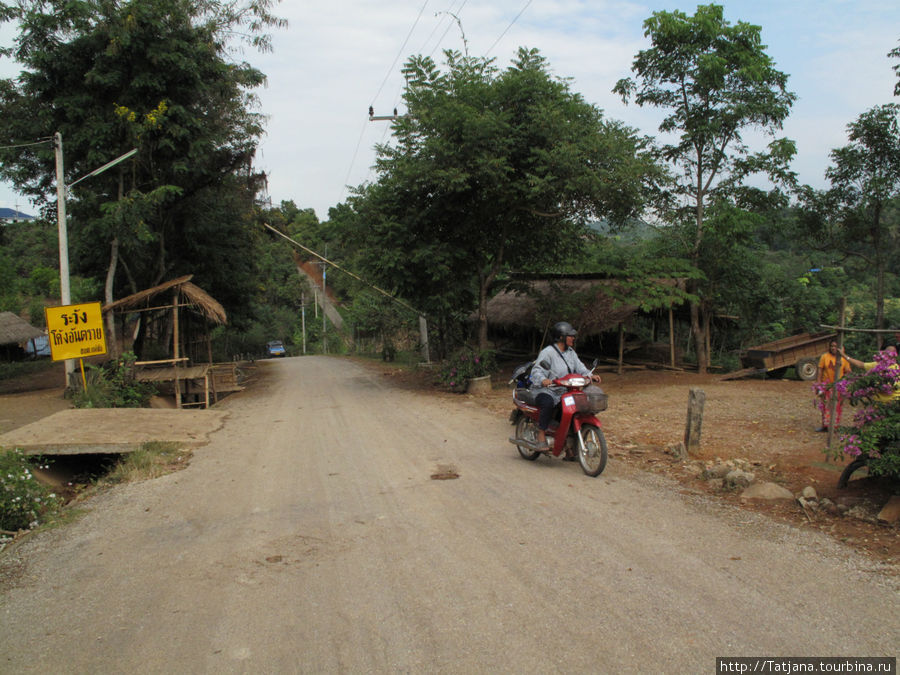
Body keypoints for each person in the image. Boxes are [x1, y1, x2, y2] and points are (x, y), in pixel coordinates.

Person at [529, 321, 601, 451]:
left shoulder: (571, 353)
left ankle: (569, 443)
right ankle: (541, 433)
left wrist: (590, 376)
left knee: (576, 408)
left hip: (565, 390)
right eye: (570, 335)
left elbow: (580, 368)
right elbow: (536, 371)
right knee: (548, 403)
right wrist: (543, 379)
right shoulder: (548, 352)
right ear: (561, 337)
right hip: (547, 390)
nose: (573, 338)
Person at [815, 340, 851, 432]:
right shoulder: (824, 357)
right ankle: (825, 426)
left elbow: (848, 373)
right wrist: (819, 383)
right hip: (826, 385)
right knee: (825, 406)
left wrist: (846, 385)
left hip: (839, 386)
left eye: (835, 346)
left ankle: (835, 427)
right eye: (832, 346)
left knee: (837, 406)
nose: (833, 348)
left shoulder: (844, 359)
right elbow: (820, 370)